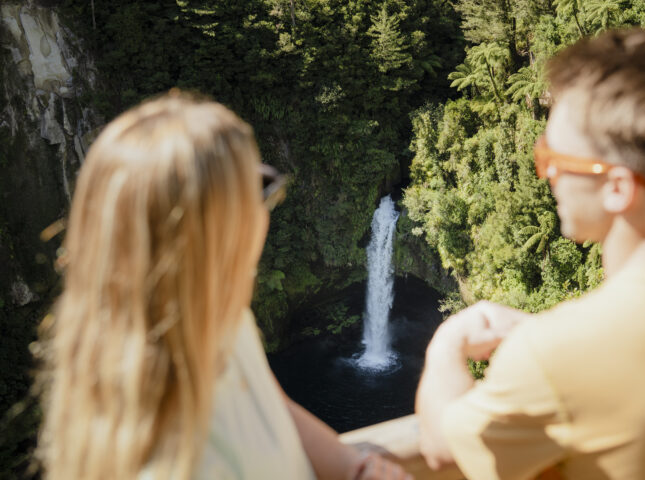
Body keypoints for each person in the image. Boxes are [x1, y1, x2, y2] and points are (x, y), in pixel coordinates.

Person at [416, 28, 645, 480]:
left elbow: (443, 448)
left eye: (553, 159)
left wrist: (448, 343)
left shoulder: (551, 359)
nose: (547, 175)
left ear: (618, 188)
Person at [38, 92, 411, 480]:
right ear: (214, 235)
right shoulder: (172, 462)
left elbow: (272, 406)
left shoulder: (222, 320)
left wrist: (352, 466)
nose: (267, 206)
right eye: (261, 188)